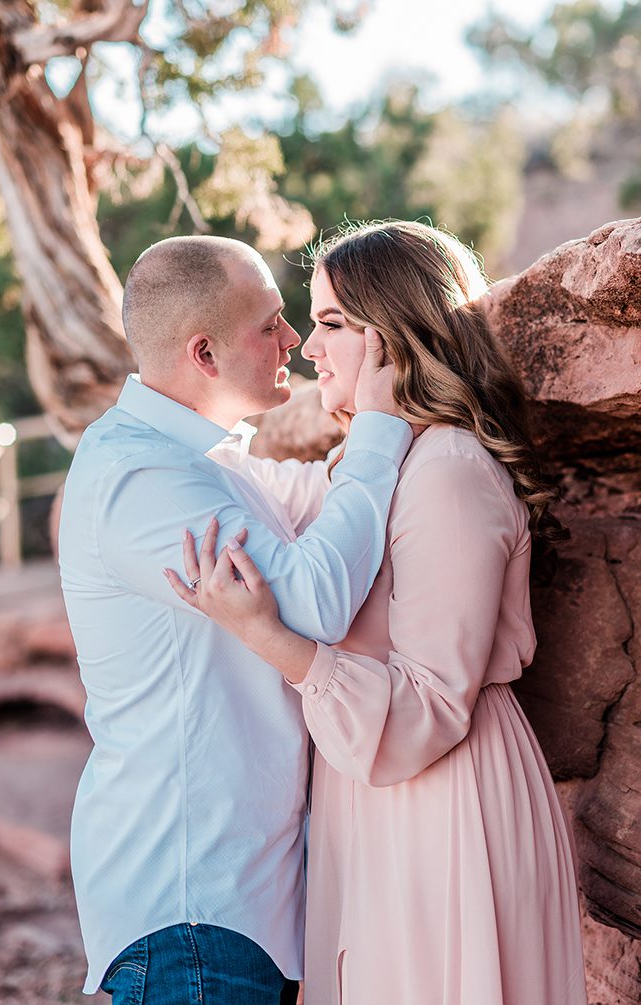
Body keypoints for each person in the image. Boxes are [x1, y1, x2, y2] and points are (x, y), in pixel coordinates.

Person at [168, 220, 586, 1005]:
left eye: (330, 324)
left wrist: (268, 636)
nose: (309, 347)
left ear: (393, 339)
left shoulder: (450, 470)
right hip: (375, 799)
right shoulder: (375, 462)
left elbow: (429, 705)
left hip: (445, 800)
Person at [56, 234, 414, 1004]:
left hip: (239, 905)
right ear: (205, 354)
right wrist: (380, 428)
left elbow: (330, 501)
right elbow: (316, 601)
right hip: (191, 907)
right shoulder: (141, 479)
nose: (294, 341)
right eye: (272, 324)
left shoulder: (209, 464)